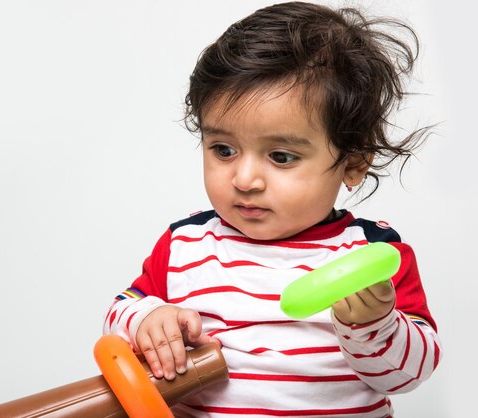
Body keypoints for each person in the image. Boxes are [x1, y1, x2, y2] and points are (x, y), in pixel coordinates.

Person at [103, 2, 441, 416]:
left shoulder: (371, 255)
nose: (245, 179)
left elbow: (408, 376)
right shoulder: (184, 246)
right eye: (223, 149)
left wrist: (375, 325)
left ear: (353, 161)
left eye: (281, 157)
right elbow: (119, 310)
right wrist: (145, 318)